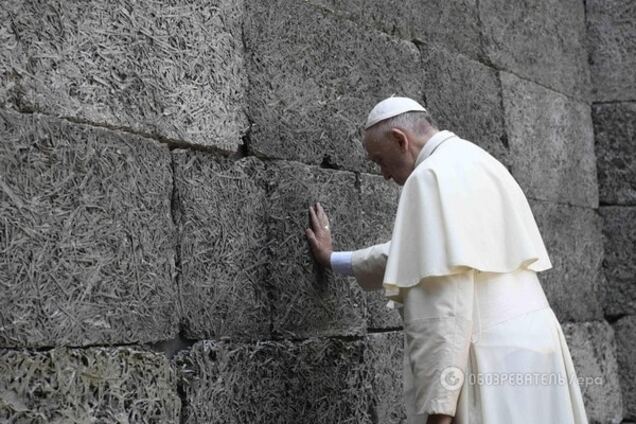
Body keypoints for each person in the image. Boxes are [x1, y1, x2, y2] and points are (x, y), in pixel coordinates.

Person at [305, 97, 589, 424]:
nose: (382, 174)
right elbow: (420, 255)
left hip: (487, 354)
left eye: (380, 160)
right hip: (540, 344)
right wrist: (332, 259)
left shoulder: (427, 177)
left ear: (401, 139)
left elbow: (445, 303)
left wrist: (441, 407)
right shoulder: (481, 160)